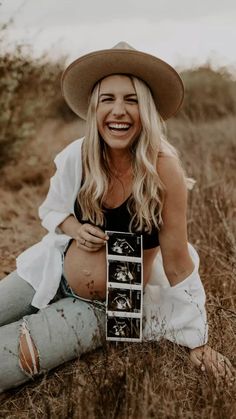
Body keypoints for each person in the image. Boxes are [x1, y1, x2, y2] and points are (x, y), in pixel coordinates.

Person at [0, 42, 234, 394]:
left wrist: (196, 339)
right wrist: (75, 228)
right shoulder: (77, 156)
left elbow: (177, 263)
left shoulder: (163, 170)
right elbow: (52, 210)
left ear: (148, 110)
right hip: (51, 270)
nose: (118, 111)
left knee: (7, 360)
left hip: (108, 306)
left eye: (132, 99)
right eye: (108, 99)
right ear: (95, 108)